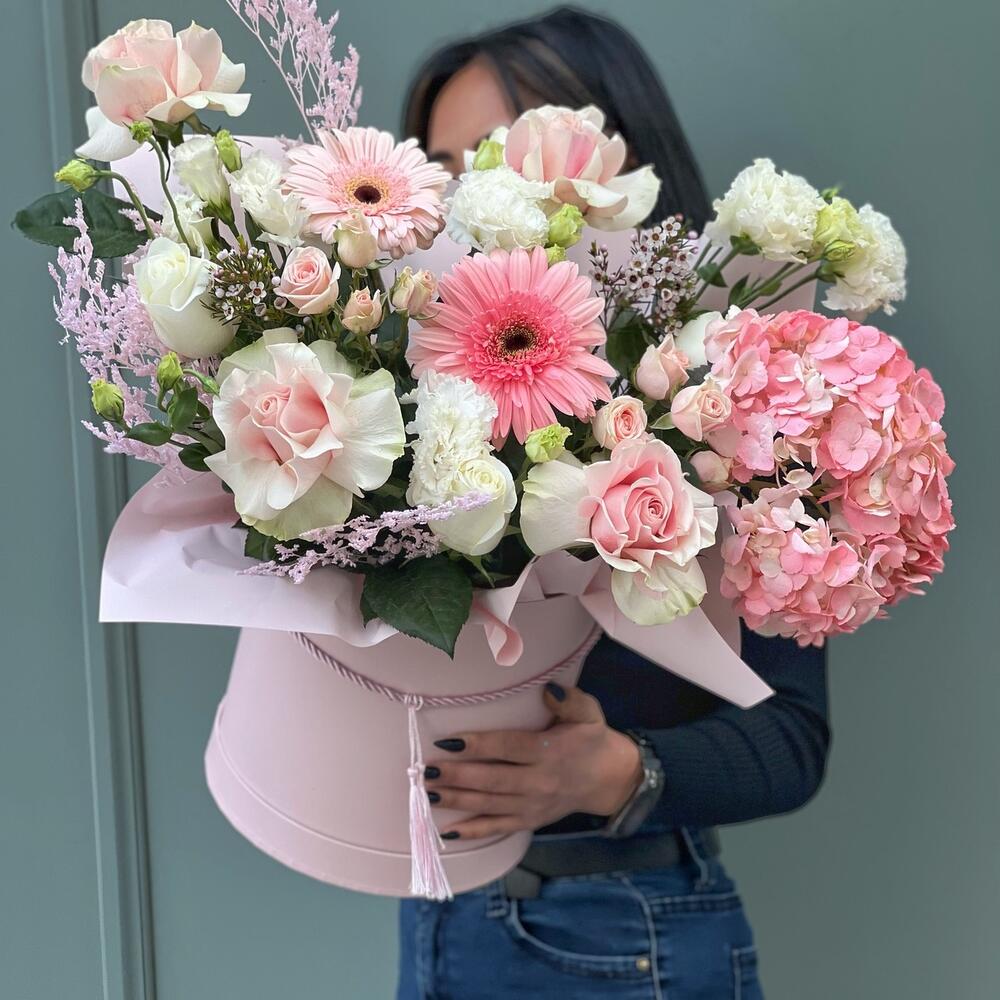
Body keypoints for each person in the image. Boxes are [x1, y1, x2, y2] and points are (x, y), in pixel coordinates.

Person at [397, 8, 829, 998]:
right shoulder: (407, 399)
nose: (468, 198)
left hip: (625, 927)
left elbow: (793, 738)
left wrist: (612, 772)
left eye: (498, 158)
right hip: (442, 914)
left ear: (611, 163)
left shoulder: (729, 402)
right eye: (444, 169)